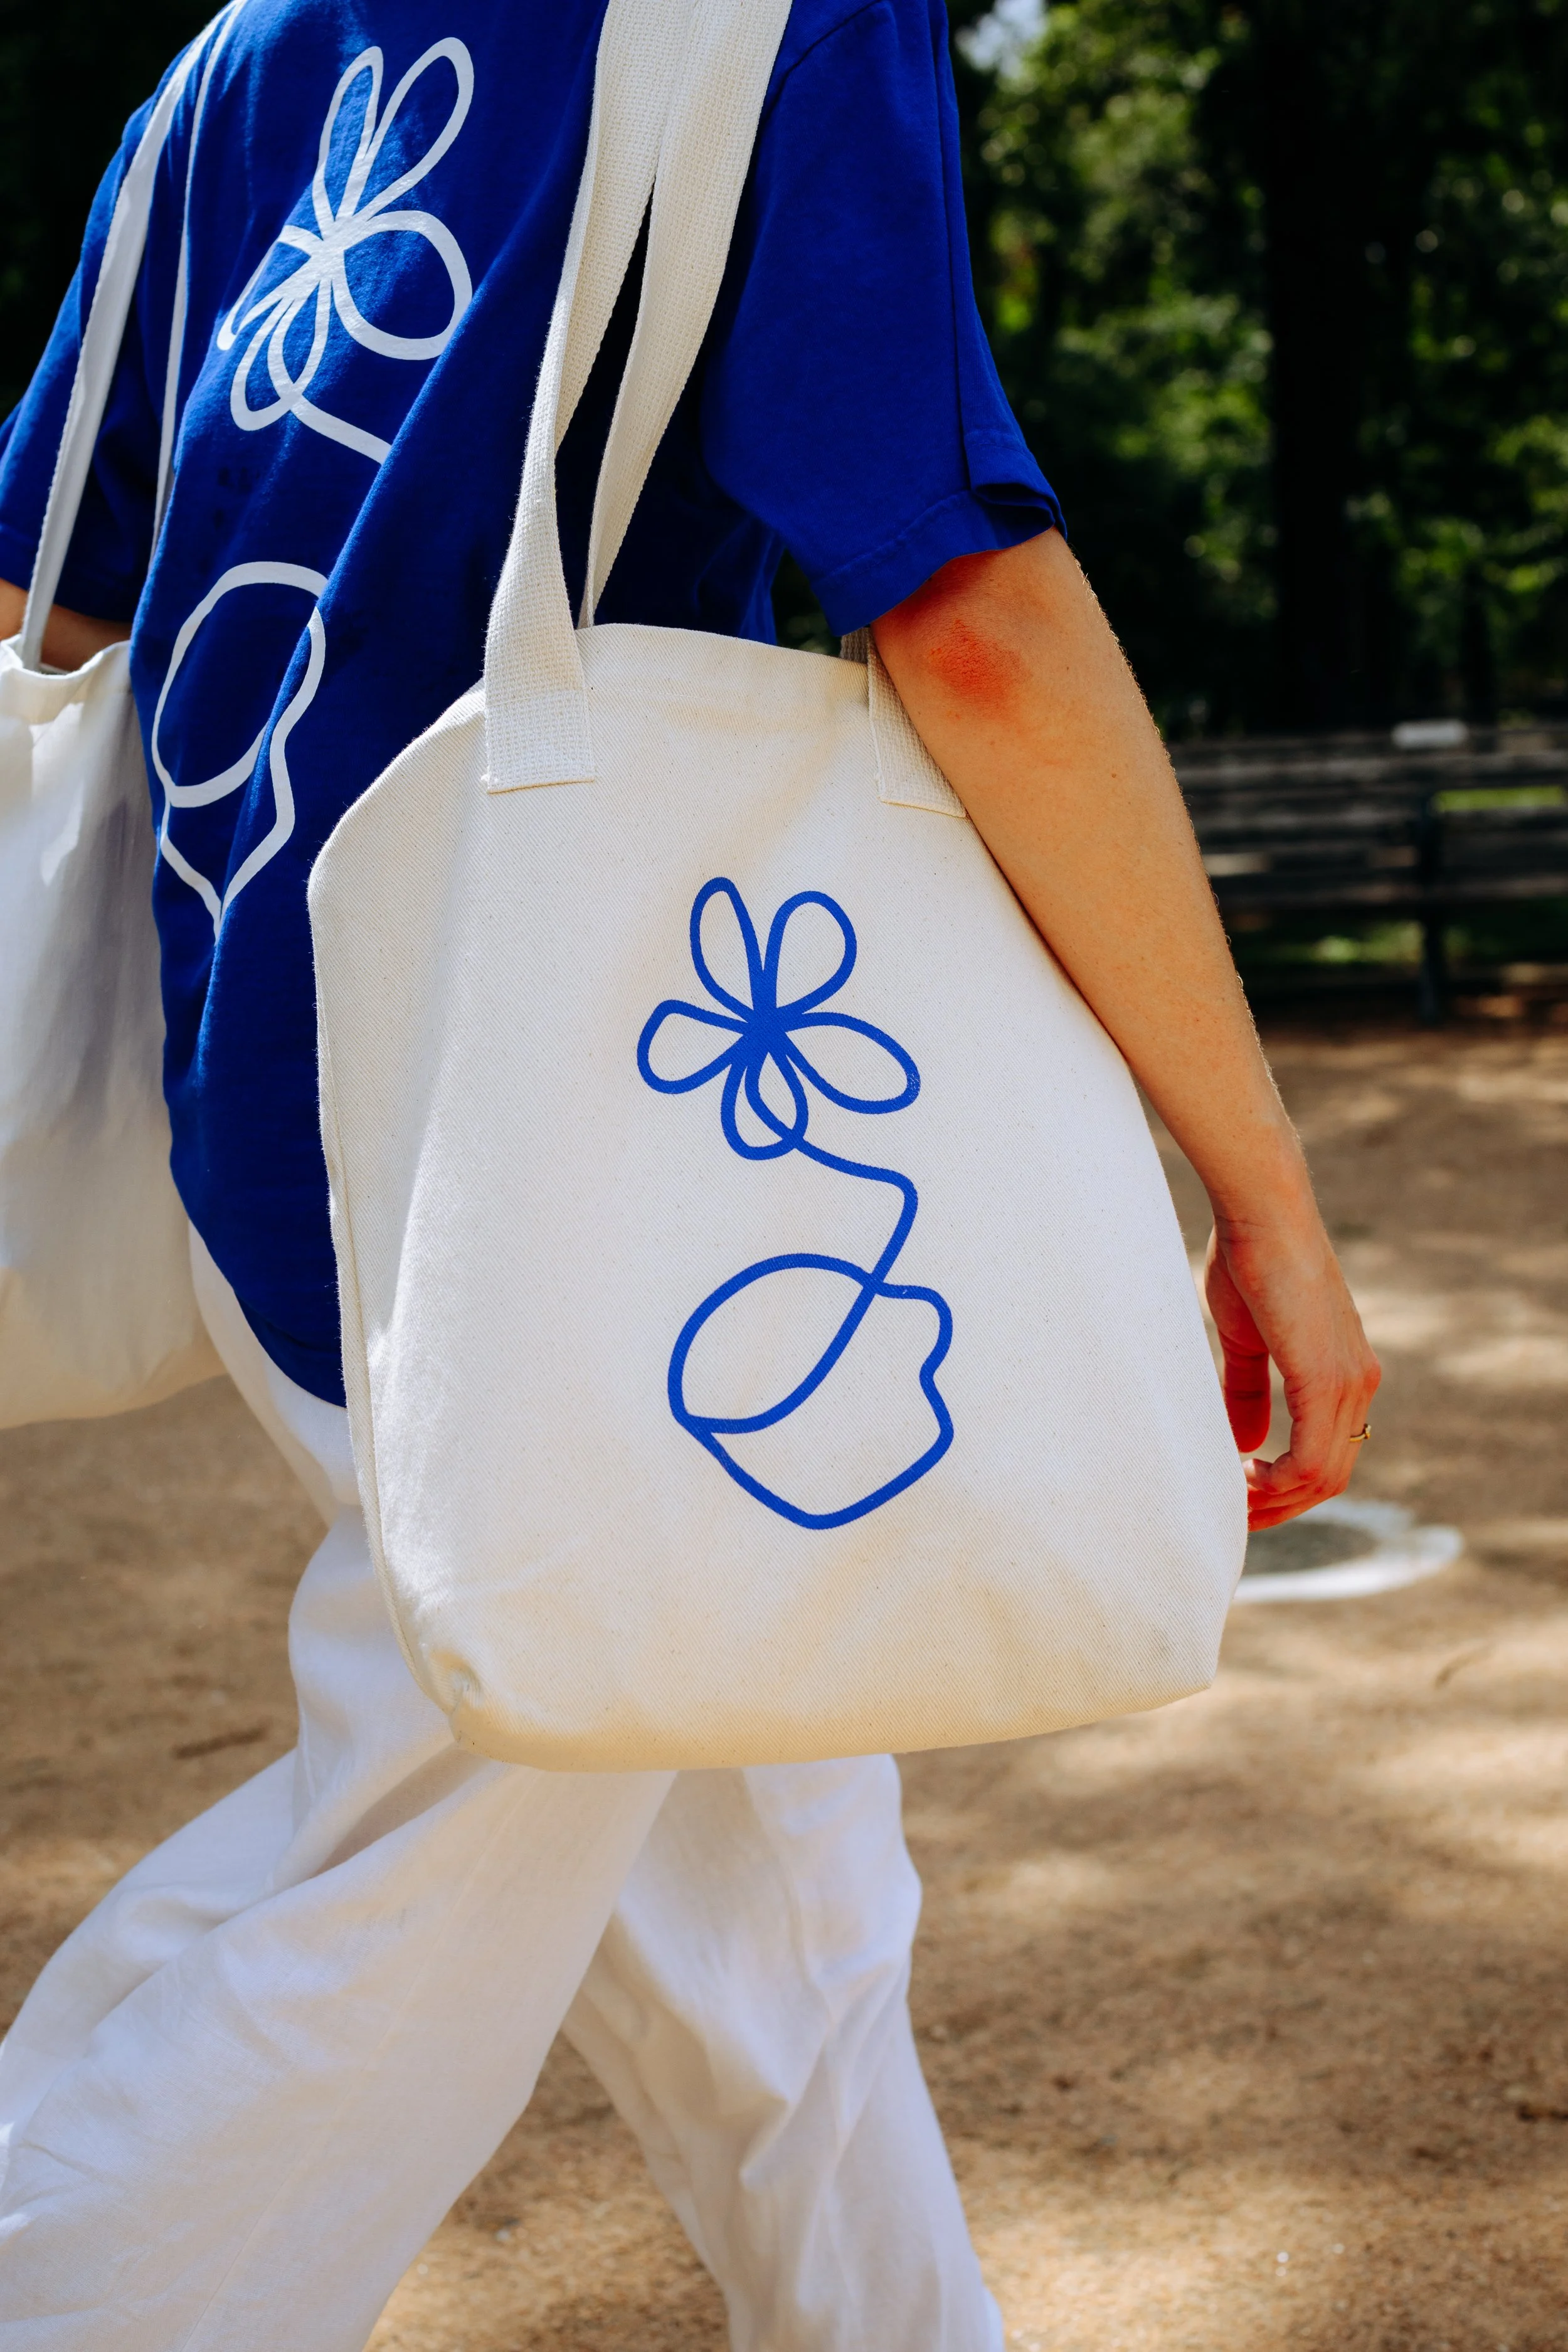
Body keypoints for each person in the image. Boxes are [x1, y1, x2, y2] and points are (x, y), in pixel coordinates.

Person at [0, 1, 1379, 2344]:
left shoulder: (240, 64)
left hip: (280, 1094)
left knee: (770, 1894)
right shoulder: (760, 18)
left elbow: (59, 589)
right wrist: (1260, 1180)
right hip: (573, 1151)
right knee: (382, 1924)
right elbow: (970, 622)